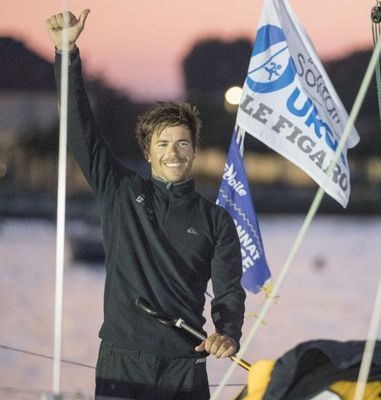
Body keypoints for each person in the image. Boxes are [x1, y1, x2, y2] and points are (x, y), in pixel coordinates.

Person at [46, 9, 246, 399]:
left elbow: (229, 293)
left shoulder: (216, 220)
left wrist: (228, 334)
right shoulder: (119, 191)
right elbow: (80, 129)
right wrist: (66, 54)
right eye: (163, 144)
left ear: (193, 150)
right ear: (148, 152)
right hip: (123, 360)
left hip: (185, 365)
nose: (174, 153)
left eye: (182, 143)